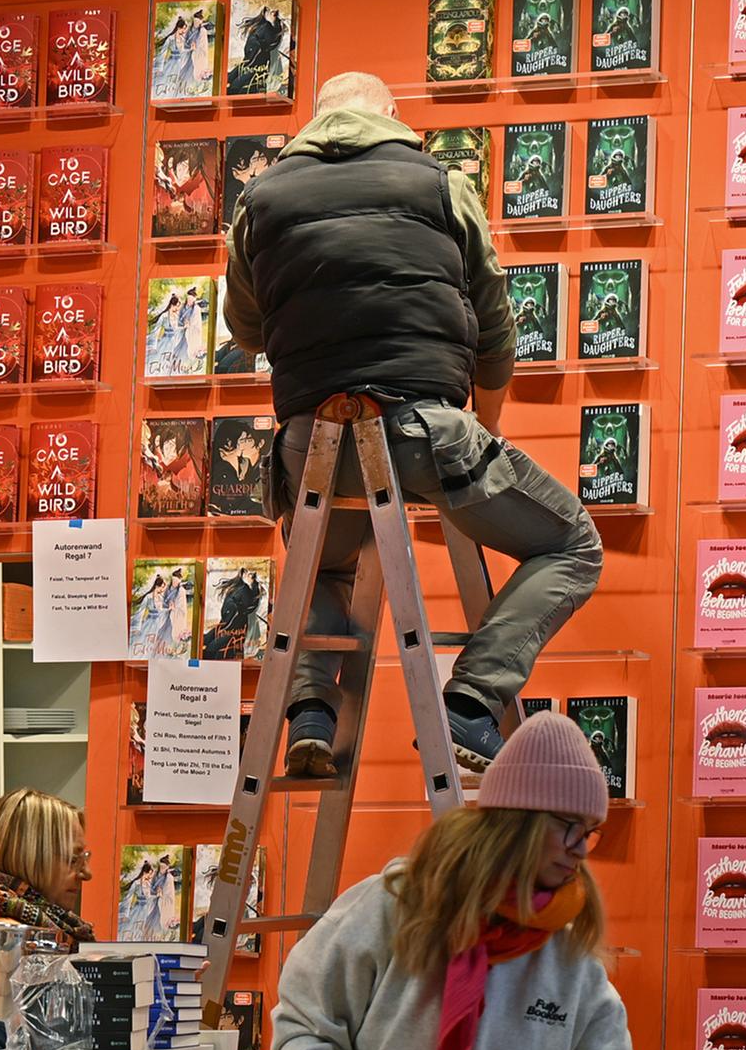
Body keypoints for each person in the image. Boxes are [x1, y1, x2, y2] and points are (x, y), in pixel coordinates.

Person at [223, 71, 603, 776]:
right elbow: (494, 329)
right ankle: (469, 705)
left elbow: (245, 330)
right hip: (423, 428)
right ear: (391, 117)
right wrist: (485, 431)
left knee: (326, 565)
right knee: (573, 545)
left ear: (315, 120)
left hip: (310, 444)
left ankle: (311, 710)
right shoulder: (439, 185)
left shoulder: (259, 201)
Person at [270, 714, 686, 1050]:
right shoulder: (392, 907)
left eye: (591, 831)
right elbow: (304, 1027)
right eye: (570, 827)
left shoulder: (573, 964)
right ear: (517, 820)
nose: (583, 849)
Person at [0, 788, 94, 945]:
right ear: (30, 857)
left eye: (84, 858)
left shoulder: (48, 924)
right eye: (73, 859)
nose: (87, 873)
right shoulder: (7, 936)